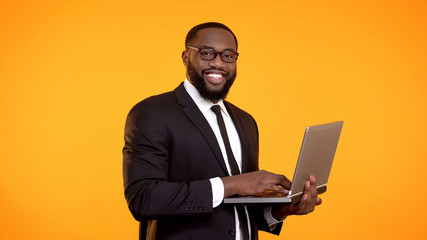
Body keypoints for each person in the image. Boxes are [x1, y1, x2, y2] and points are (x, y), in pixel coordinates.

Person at [123, 22, 321, 240]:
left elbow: (241, 206)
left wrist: (281, 211)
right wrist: (234, 183)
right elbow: (143, 198)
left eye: (228, 55)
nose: (218, 63)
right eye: (207, 53)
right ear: (185, 57)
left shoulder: (245, 121)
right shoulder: (152, 113)